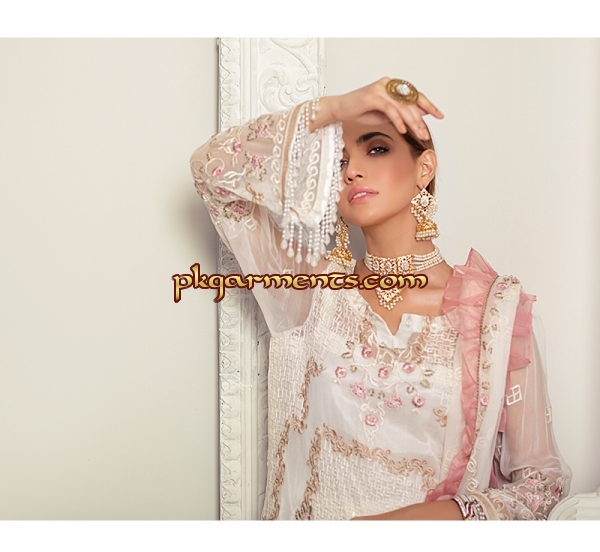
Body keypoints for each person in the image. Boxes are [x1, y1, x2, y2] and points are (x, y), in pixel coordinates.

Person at [190, 78, 571, 520]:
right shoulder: (309, 290)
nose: (351, 171)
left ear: (424, 169)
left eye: (376, 149)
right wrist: (337, 107)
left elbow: (541, 485)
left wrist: (400, 526)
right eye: (339, 161)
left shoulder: (494, 314)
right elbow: (209, 170)